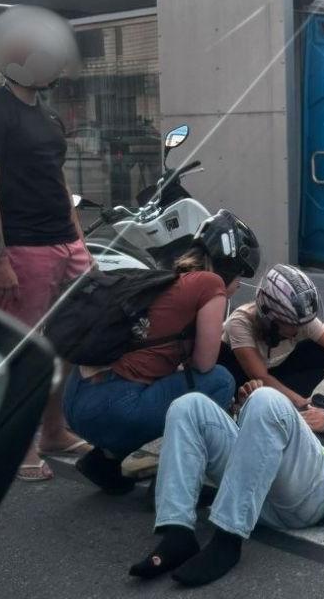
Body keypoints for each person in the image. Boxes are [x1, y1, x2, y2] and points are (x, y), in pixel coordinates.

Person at [0, 5, 92, 482]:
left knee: (66, 344)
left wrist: (79, 241)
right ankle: (17, 446)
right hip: (22, 251)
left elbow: (57, 181)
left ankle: (54, 431)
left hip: (63, 245)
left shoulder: (49, 117)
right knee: (24, 352)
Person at [128, 382, 324, 586]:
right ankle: (178, 533)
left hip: (317, 494)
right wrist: (245, 409)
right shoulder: (315, 403)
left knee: (268, 400)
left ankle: (227, 539)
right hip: (261, 493)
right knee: (189, 405)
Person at [63, 209, 259, 495]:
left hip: (75, 398)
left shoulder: (170, 276)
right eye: (239, 274)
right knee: (219, 380)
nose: (239, 283)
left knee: (166, 381)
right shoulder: (210, 284)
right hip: (110, 407)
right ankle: (173, 482)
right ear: (228, 265)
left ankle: (103, 461)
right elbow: (204, 363)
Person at [219, 264, 324, 406]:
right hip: (242, 377)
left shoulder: (301, 319)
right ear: (269, 318)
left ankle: (289, 401)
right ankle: (238, 406)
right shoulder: (240, 322)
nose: (300, 329)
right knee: (226, 364)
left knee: (321, 353)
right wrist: (303, 405)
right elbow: (260, 376)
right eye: (292, 325)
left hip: (271, 372)